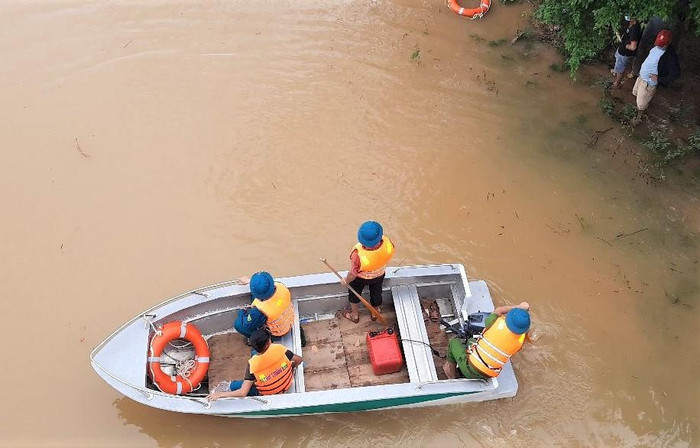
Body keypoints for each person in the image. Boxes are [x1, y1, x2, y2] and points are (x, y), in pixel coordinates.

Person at [443, 302, 531, 380]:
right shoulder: (520, 341)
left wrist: (519, 306)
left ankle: (451, 374)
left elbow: (499, 310)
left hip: (469, 368)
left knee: (453, 343)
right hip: (489, 374)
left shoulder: (495, 323)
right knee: (471, 340)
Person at [207, 329, 302, 400]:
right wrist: (291, 368)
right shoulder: (280, 349)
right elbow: (299, 360)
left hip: (267, 393)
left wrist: (219, 394)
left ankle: (229, 386)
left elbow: (243, 392)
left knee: (236, 386)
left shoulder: (252, 365)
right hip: (286, 385)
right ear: (268, 344)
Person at [341, 221, 395, 323]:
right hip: (379, 275)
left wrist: (346, 281)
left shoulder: (357, 254)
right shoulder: (388, 243)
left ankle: (355, 315)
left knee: (354, 294)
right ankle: (375, 313)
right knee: (376, 293)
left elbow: (353, 274)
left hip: (360, 279)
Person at [632, 30, 679, 123]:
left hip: (648, 83)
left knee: (641, 105)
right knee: (636, 94)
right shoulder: (656, 45)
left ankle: (638, 117)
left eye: (662, 44)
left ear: (668, 43)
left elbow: (675, 74)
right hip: (641, 77)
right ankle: (641, 107)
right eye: (658, 43)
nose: (659, 45)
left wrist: (659, 79)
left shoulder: (669, 57)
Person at [233, 271, 295, 338]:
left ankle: (258, 341)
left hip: (277, 332)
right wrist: (249, 281)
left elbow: (246, 324)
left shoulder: (260, 311)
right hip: (289, 321)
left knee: (238, 325)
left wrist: (241, 311)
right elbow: (265, 286)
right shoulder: (281, 287)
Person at [612, 16, 641, 88]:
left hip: (624, 53)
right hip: (621, 50)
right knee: (617, 61)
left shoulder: (634, 30)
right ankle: (616, 70)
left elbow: (633, 47)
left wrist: (624, 44)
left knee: (620, 68)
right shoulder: (632, 25)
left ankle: (617, 83)